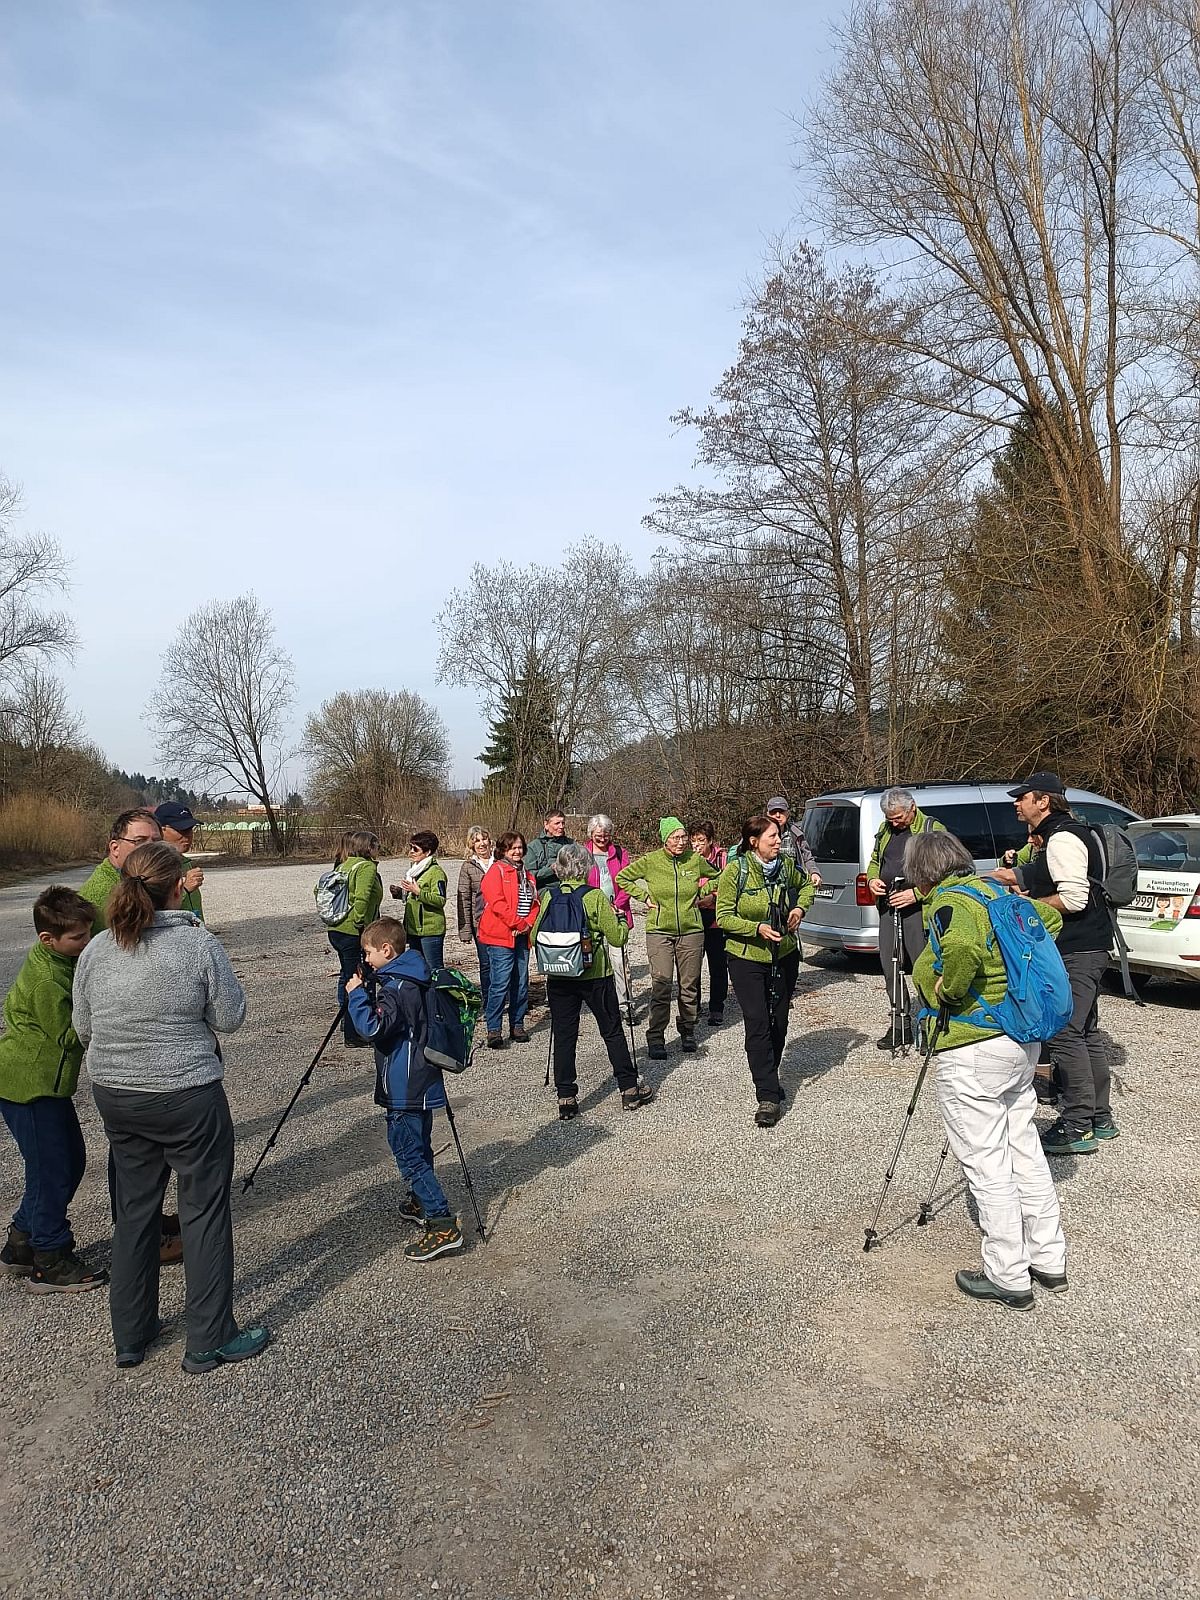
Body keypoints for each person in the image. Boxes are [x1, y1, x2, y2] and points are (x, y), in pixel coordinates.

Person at [73, 841, 268, 1372]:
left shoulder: (97, 949)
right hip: (187, 1096)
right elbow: (230, 1017)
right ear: (178, 886)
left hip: (118, 1095)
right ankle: (209, 1337)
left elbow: (83, 1027)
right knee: (203, 1210)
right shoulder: (196, 944)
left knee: (134, 1211)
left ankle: (131, 1334)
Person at [907, 828, 1068, 1312]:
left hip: (975, 1045)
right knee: (1024, 1148)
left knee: (986, 1162)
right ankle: (1048, 1258)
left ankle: (1007, 1275)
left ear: (924, 874)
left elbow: (960, 951)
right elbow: (1050, 920)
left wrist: (948, 991)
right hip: (1021, 1039)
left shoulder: (950, 903)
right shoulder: (995, 891)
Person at [991, 772, 1115, 1156]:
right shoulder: (1064, 833)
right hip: (1091, 947)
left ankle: (1077, 1125)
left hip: (1078, 950)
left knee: (1064, 1033)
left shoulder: (1062, 838)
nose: (1016, 803)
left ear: (1043, 801)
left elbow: (1074, 898)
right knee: (1086, 1032)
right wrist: (1013, 875)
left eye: (1022, 797)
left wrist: (1023, 907)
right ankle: (1099, 1117)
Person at [0, 887, 107, 1293]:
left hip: (49, 1087)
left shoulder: (61, 961)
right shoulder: (47, 978)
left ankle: (21, 1242)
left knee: (68, 1162)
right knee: (53, 1170)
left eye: (88, 932)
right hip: (29, 1087)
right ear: (48, 939)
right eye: (78, 937)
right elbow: (69, 1034)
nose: (86, 941)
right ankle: (50, 1257)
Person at [345, 917, 464, 1262]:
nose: (366, 960)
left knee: (408, 1152)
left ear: (386, 950)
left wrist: (356, 997)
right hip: (422, 1079)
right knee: (419, 1144)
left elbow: (372, 1028)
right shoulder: (416, 973)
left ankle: (442, 1222)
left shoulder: (397, 988)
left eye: (369, 953)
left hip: (404, 1084)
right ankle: (420, 1200)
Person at [532, 844, 654, 1120]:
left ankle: (566, 1097)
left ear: (560, 868)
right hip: (595, 974)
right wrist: (620, 921)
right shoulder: (595, 896)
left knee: (564, 1034)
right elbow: (617, 938)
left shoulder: (549, 896)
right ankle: (629, 1089)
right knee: (611, 1030)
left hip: (559, 975)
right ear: (586, 868)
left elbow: (533, 936)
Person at [716, 816, 815, 1127]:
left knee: (779, 1021)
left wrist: (799, 908)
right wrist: (755, 928)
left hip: (784, 954)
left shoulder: (785, 866)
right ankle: (768, 1096)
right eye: (772, 836)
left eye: (779, 836)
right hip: (745, 958)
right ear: (753, 841)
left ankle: (769, 1074)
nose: (778, 841)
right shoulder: (736, 871)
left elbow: (807, 886)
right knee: (758, 1022)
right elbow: (723, 916)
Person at [616, 818, 717, 1060]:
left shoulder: (694, 859)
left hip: (691, 931)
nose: (681, 842)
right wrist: (643, 897)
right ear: (665, 839)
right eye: (676, 838)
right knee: (661, 986)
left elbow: (719, 876)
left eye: (684, 837)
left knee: (689, 985)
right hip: (659, 931)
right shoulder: (651, 860)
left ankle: (688, 1030)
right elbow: (622, 878)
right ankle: (656, 1037)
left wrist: (700, 893)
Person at [866, 787, 946, 1050]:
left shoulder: (932, 829)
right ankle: (900, 1025)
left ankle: (930, 1027)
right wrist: (873, 880)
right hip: (889, 907)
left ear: (912, 808)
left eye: (898, 817)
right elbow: (876, 860)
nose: (894, 823)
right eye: (890, 818)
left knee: (925, 970)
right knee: (891, 969)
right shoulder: (885, 830)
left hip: (920, 911)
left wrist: (916, 894)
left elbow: (947, 872)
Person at [479, 833, 538, 1047]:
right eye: (512, 848)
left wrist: (528, 924)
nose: (517, 851)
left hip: (522, 936)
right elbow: (497, 903)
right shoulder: (497, 871)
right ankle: (494, 1029)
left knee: (521, 983)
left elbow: (535, 903)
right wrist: (517, 924)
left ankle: (517, 1024)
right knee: (500, 983)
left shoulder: (527, 875)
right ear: (503, 850)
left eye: (520, 847)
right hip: (500, 936)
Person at [326, 831, 383, 1048]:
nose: (378, 850)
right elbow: (362, 898)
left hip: (337, 929)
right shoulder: (366, 867)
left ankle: (347, 1022)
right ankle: (355, 1033)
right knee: (360, 979)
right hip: (353, 931)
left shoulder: (345, 864)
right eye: (376, 846)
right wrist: (361, 925)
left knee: (347, 975)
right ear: (369, 847)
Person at [582, 815, 633, 1021]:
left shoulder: (620, 853)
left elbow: (628, 882)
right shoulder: (582, 854)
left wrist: (616, 905)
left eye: (606, 835)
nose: (602, 839)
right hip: (591, 917)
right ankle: (600, 1005)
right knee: (595, 963)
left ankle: (625, 1004)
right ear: (590, 834)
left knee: (620, 962)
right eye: (598, 836)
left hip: (617, 913)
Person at [78, 809, 163, 933]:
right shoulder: (101, 896)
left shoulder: (137, 880)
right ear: (115, 848)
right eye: (139, 841)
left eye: (157, 842)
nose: (151, 849)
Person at [689, 822, 731, 1026]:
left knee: (718, 966)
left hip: (716, 918)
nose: (696, 845)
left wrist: (712, 899)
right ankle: (693, 1006)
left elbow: (729, 885)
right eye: (693, 841)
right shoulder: (687, 859)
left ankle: (716, 1008)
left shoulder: (723, 858)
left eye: (701, 840)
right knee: (692, 966)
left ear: (710, 841)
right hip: (694, 918)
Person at [389, 831, 448, 970]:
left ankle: (439, 986)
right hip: (414, 929)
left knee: (434, 969)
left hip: (430, 930)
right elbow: (414, 897)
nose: (411, 852)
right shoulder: (414, 871)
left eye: (415, 849)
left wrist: (418, 892)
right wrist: (401, 893)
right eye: (410, 847)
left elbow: (440, 900)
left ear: (427, 852)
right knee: (418, 968)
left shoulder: (436, 872)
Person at [456, 826, 495, 1012]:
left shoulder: (499, 862)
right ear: (471, 844)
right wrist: (465, 930)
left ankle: (504, 996)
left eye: (484, 839)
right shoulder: (468, 866)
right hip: (480, 923)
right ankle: (488, 1001)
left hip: (501, 922)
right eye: (477, 840)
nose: (481, 843)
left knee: (502, 963)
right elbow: (463, 898)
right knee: (486, 964)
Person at [154, 802, 205, 920]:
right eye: (181, 829)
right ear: (160, 830)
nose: (188, 835)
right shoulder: (151, 867)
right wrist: (185, 889)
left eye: (190, 829)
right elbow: (151, 911)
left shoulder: (185, 863)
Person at [764, 798, 822, 886]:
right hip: (767, 887)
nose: (778, 815)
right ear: (768, 814)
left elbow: (807, 858)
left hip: (792, 887)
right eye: (773, 812)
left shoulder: (796, 834)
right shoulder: (757, 833)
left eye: (781, 811)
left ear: (787, 813)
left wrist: (814, 873)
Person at [525, 809, 575, 889]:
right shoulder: (533, 847)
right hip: (543, 890)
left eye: (563, 823)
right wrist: (551, 869)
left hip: (568, 888)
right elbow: (529, 876)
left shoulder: (571, 845)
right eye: (557, 823)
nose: (561, 826)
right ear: (546, 824)